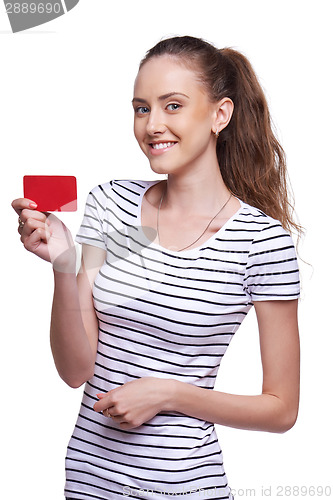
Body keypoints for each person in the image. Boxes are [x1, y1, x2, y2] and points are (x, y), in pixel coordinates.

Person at [12, 35, 301, 500]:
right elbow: (74, 370)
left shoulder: (261, 243)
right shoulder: (109, 203)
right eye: (142, 108)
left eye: (173, 105)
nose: (152, 125)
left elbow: (282, 410)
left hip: (185, 488)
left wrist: (169, 393)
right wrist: (65, 267)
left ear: (219, 115)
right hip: (89, 482)